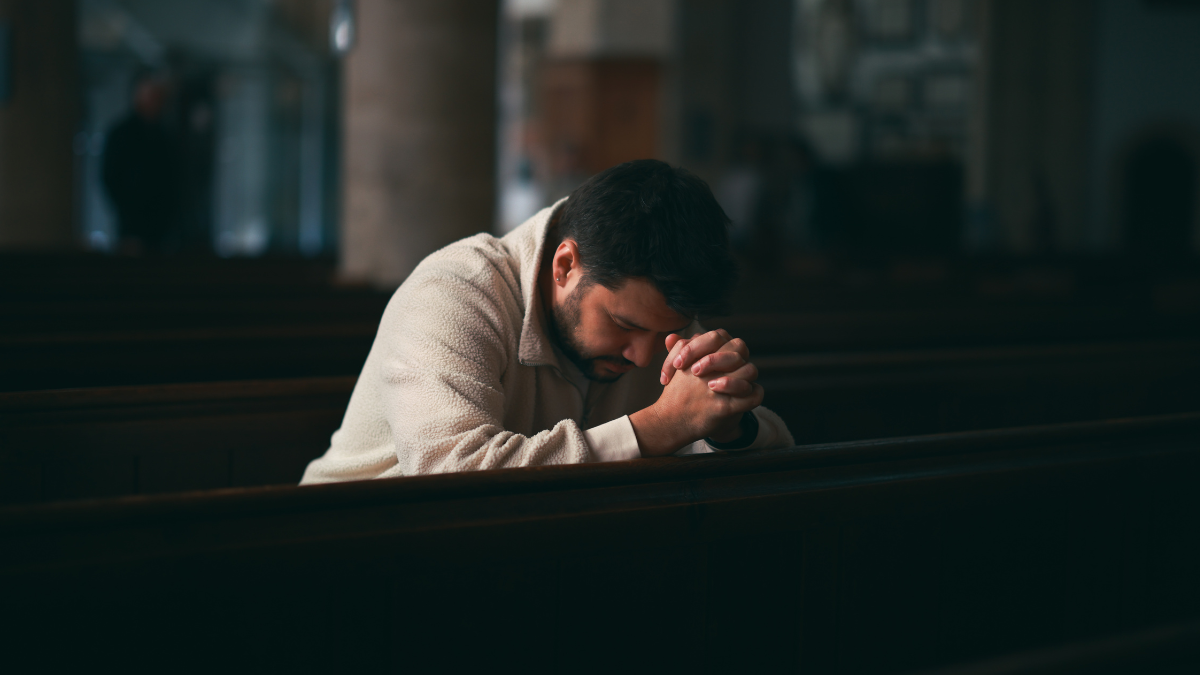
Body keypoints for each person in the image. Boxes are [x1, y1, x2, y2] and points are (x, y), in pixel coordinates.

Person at [301, 160, 793, 482]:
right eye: (624, 324)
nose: (643, 355)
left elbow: (775, 450)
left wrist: (727, 424)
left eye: (663, 332)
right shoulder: (454, 290)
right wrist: (660, 426)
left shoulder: (654, 304)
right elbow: (448, 473)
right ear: (564, 266)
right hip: (337, 564)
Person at [101, 70, 179, 252]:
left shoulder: (165, 137)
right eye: (150, 95)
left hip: (162, 231)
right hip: (131, 226)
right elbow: (110, 178)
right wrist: (127, 214)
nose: (155, 101)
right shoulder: (121, 135)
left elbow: (174, 183)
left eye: (158, 96)